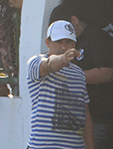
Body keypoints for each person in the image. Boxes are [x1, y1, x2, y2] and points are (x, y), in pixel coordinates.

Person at [49, 5, 113, 149]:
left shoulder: (97, 37)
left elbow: (107, 73)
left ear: (74, 20)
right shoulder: (68, 45)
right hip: (75, 119)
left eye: (65, 28)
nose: (64, 42)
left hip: (100, 117)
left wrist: (68, 76)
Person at [27, 20, 94, 149]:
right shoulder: (36, 62)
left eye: (68, 42)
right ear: (47, 42)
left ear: (74, 44)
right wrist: (63, 59)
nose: (63, 47)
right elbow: (49, 64)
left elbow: (85, 113)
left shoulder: (79, 73)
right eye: (59, 41)